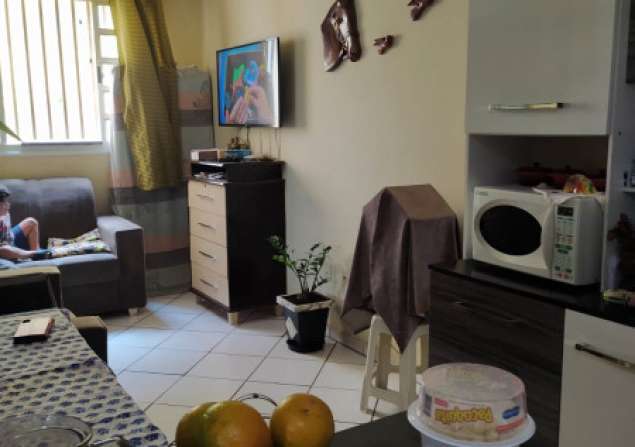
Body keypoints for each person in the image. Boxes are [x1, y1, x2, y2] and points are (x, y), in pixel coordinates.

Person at [0, 185, 50, 261]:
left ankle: (37, 254)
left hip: (10, 240)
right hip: (4, 247)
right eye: (4, 202)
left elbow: (8, 236)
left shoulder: (5, 214)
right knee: (3, 250)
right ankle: (32, 254)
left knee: (31, 222)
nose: (8, 204)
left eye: (7, 201)